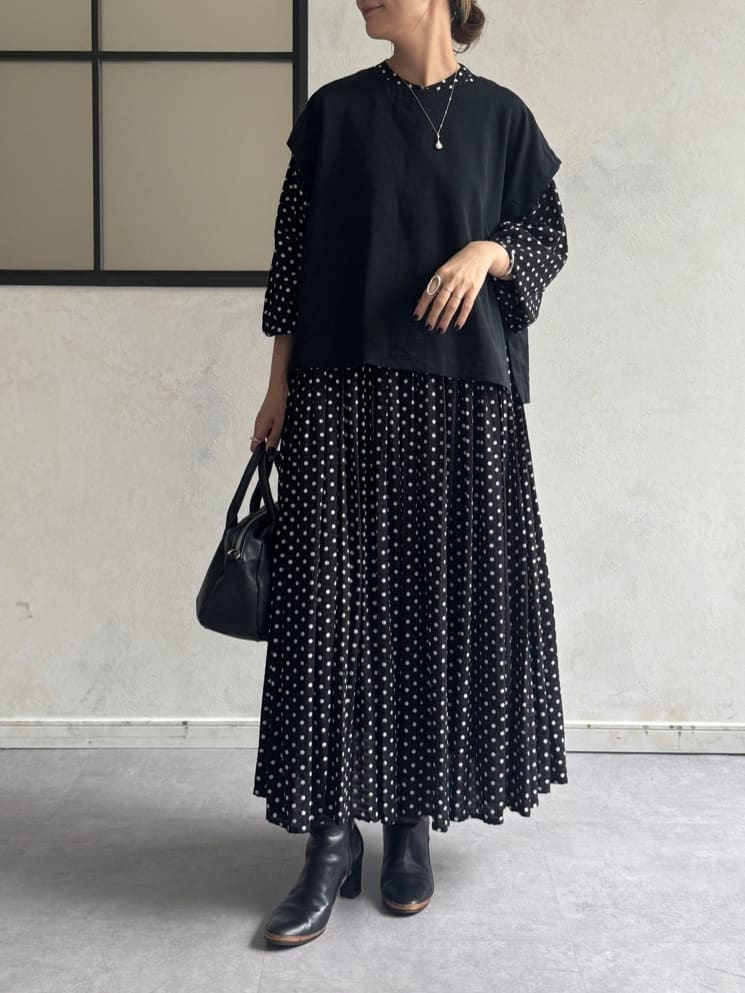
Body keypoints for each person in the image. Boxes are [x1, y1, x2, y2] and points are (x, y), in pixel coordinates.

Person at [251, 0, 569, 948]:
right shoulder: (334, 112)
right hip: (338, 393)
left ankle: (408, 824)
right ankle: (328, 839)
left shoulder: (502, 117)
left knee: (431, 606)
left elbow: (547, 238)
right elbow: (291, 263)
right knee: (328, 613)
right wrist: (275, 388)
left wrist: (487, 250)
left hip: (461, 402)